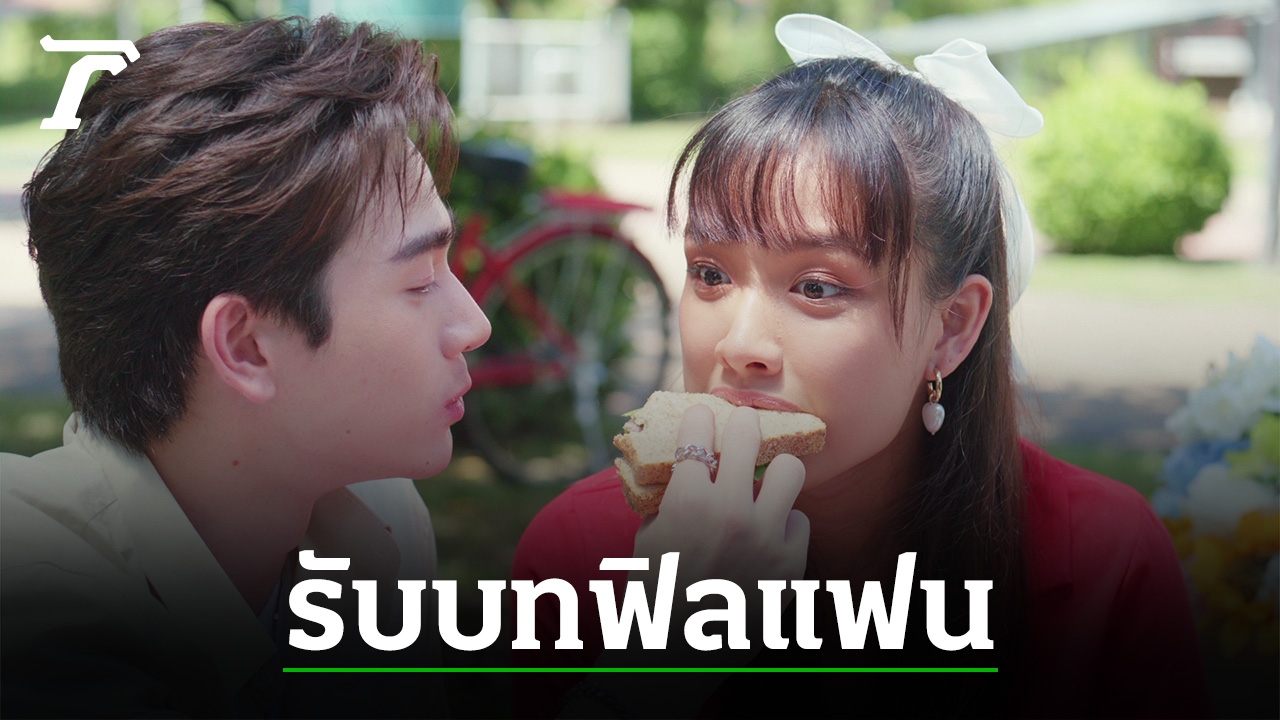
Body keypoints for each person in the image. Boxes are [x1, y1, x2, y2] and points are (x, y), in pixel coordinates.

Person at [512, 14, 1209, 718]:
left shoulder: (1102, 561)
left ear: (952, 327)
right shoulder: (580, 555)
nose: (740, 344)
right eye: (710, 274)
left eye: (817, 287)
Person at [1, 16, 489, 717]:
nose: (474, 325)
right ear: (246, 347)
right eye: (419, 282)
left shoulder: (377, 521)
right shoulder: (37, 608)